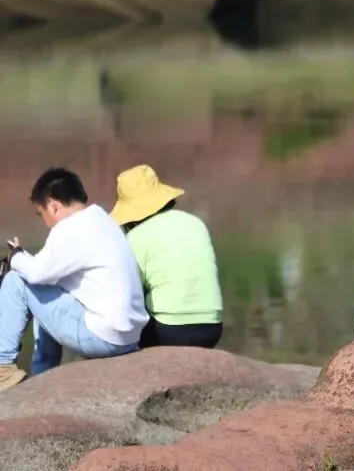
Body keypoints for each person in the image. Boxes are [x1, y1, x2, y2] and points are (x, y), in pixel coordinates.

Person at [0, 168, 148, 389]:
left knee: (16, 281)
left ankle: (2, 367)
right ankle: (43, 374)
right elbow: (45, 272)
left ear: (52, 205)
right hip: (128, 336)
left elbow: (36, 273)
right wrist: (23, 260)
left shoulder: (70, 228)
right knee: (43, 289)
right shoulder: (102, 220)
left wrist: (16, 257)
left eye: (41, 214)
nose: (45, 222)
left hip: (104, 338)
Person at [110, 165, 224, 349]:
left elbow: (129, 293)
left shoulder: (135, 238)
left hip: (167, 331)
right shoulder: (196, 223)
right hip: (212, 327)